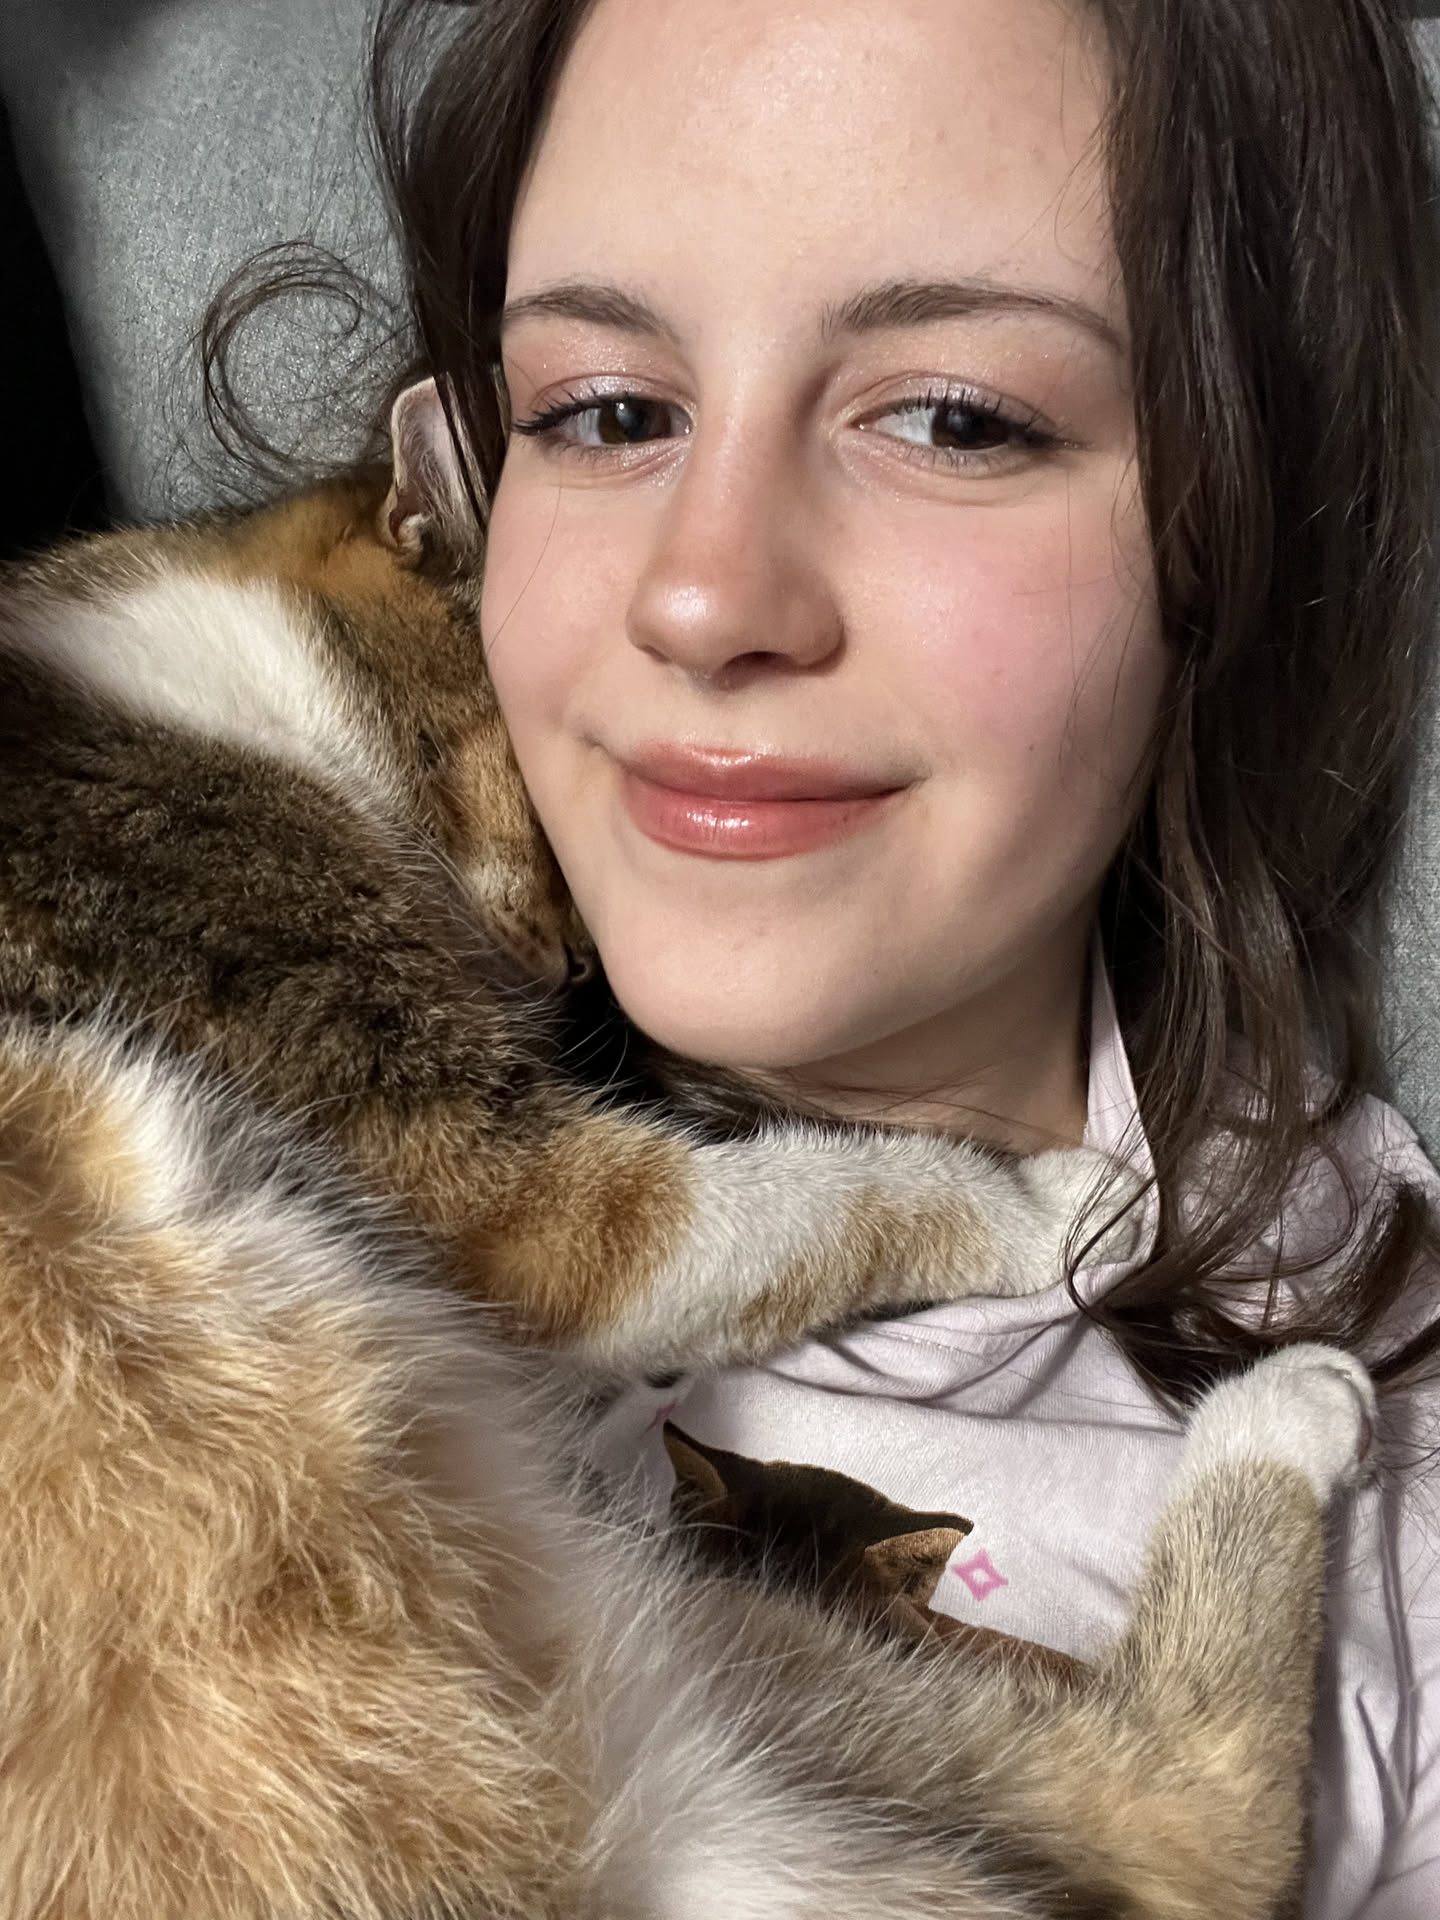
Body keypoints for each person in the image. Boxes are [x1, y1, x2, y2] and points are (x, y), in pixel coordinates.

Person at [359, 0, 1440, 1911]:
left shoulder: (1395, 1545)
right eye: (606, 411)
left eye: (953, 417)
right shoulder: (159, 1130)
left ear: (1233, 528)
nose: (705, 594)